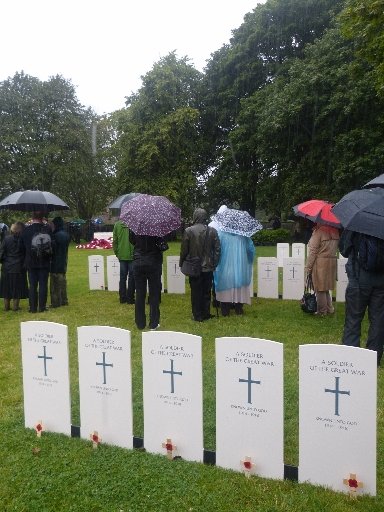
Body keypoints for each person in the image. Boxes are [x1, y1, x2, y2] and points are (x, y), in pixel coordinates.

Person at [339, 229, 384, 366]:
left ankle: (350, 358)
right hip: (381, 282)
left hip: (359, 280)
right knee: (378, 322)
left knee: (353, 319)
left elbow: (344, 250)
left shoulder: (357, 226)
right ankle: (373, 360)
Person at [179, 208, 221, 322]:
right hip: (208, 266)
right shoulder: (212, 231)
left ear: (195, 216)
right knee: (207, 291)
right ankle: (206, 313)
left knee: (196, 291)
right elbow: (217, 249)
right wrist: (214, 263)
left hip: (194, 266)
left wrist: (181, 262)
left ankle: (197, 315)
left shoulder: (188, 231)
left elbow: (184, 250)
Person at [129, 232, 167, 330]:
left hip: (139, 261)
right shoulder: (156, 228)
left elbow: (132, 240)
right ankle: (154, 323)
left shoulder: (135, 228)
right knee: (154, 294)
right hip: (153, 262)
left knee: (140, 294)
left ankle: (140, 323)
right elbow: (161, 244)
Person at [214, 231, 255, 316]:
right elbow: (250, 249)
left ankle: (225, 310)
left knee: (225, 285)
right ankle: (238, 308)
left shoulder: (221, 235)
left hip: (225, 265)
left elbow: (216, 249)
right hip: (240, 265)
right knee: (239, 285)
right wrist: (249, 260)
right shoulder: (244, 236)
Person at [305, 223, 339, 316]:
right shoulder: (335, 231)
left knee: (319, 288)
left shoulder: (319, 232)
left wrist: (308, 267)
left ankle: (321, 311)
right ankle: (329, 309)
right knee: (326, 288)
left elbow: (313, 252)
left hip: (320, 263)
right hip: (331, 261)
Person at [21, 211, 52, 313]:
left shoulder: (26, 230)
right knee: (43, 284)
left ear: (32, 217)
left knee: (32, 286)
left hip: (31, 261)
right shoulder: (47, 229)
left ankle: (33, 308)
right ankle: (42, 307)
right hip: (44, 261)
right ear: (42, 217)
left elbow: (23, 247)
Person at [0, 222, 28, 311]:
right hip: (18, 267)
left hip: (6, 267)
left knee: (6, 287)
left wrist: (4, 261)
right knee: (17, 287)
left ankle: (6, 307)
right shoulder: (23, 240)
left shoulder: (6, 239)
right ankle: (16, 307)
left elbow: (1, 254)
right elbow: (25, 253)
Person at [50, 216, 70, 308]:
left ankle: (55, 302)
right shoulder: (66, 234)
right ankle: (64, 299)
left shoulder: (55, 235)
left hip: (55, 261)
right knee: (62, 281)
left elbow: (52, 249)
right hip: (63, 260)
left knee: (54, 283)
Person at [113, 219, 135, 304]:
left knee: (122, 277)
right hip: (132, 255)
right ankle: (130, 298)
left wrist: (117, 253)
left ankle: (122, 298)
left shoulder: (117, 225)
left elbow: (115, 241)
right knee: (132, 277)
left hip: (122, 255)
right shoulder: (134, 224)